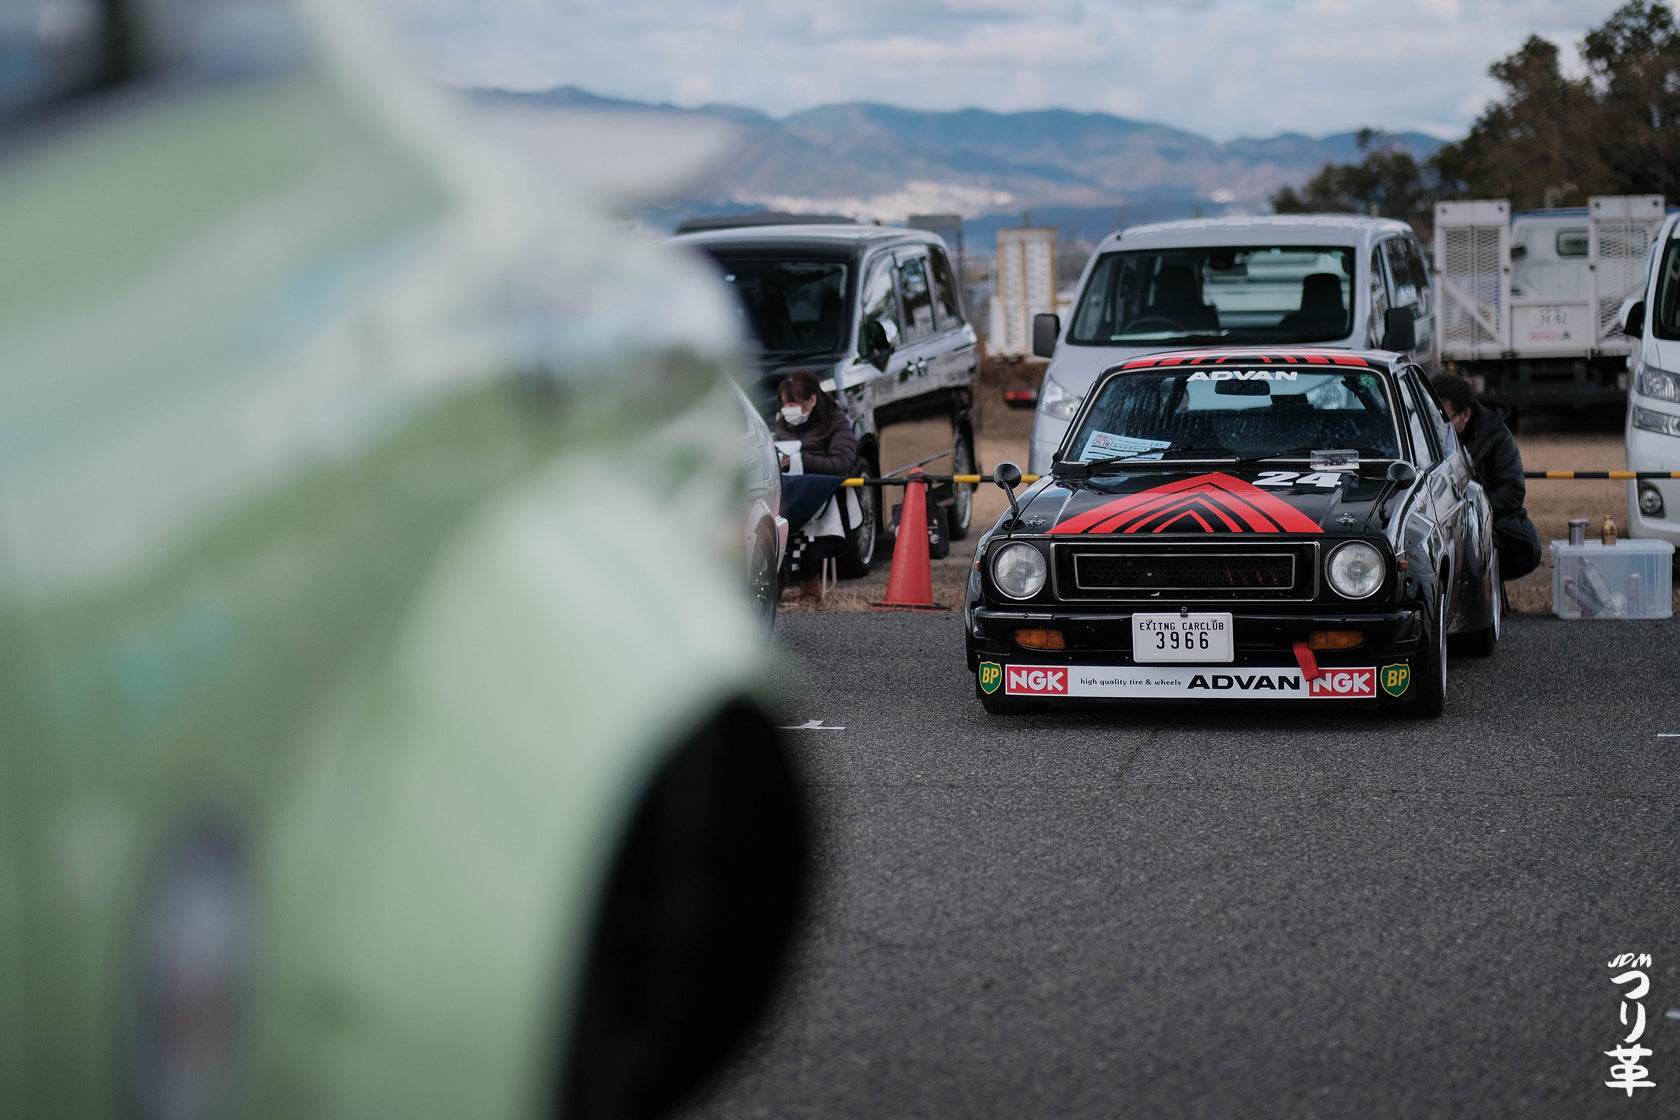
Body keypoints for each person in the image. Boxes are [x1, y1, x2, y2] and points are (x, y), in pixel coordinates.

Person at [1431, 373, 1542, 580]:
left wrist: (1473, 512)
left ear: (1466, 415)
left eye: (1447, 420)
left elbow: (1512, 491)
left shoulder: (1496, 436)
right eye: (1434, 419)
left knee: (1473, 546)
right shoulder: (1423, 435)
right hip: (1438, 523)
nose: (1440, 427)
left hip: (1488, 523)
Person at [772, 370, 859, 600]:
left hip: (823, 491)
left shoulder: (836, 423)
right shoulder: (782, 424)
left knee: (795, 501)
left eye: (793, 403)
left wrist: (802, 459)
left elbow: (842, 463)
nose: (787, 409)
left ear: (812, 400)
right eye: (784, 404)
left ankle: (806, 579)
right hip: (790, 488)